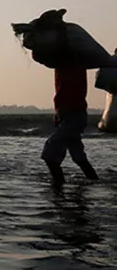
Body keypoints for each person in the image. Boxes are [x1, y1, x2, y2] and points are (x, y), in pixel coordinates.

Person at [37, 13, 99, 186]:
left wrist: (58, 26)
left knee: (50, 155)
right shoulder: (62, 62)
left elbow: (62, 45)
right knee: (79, 157)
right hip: (69, 115)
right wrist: (58, 115)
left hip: (74, 115)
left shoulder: (72, 58)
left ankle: (59, 190)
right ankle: (93, 184)